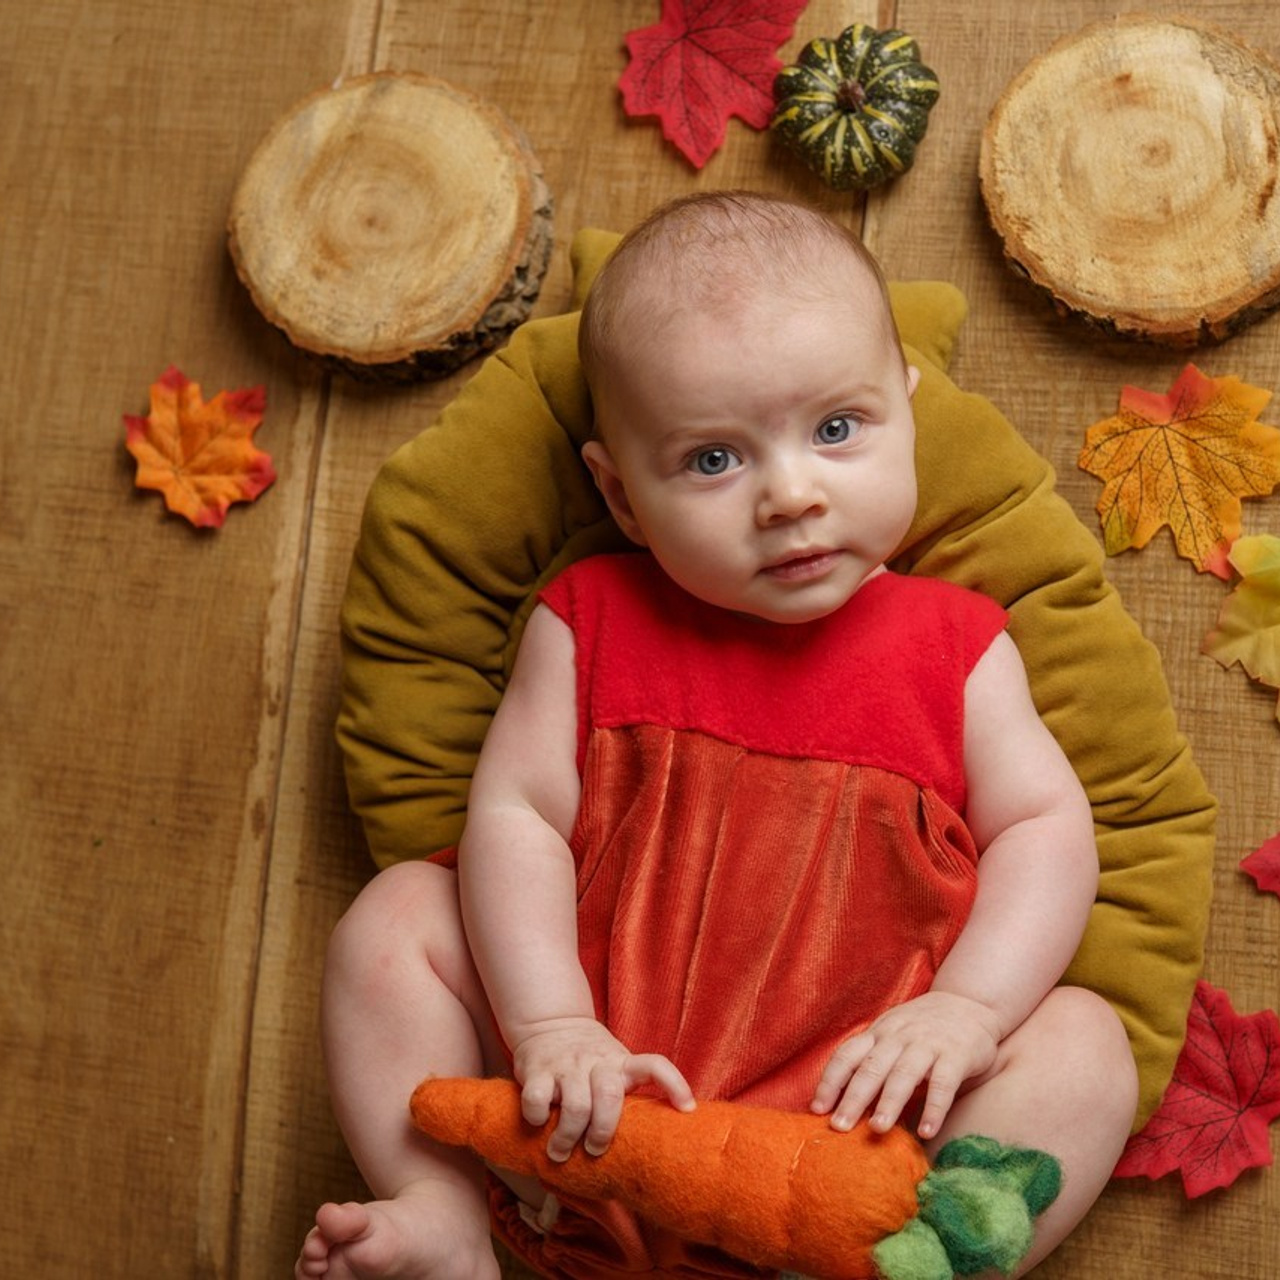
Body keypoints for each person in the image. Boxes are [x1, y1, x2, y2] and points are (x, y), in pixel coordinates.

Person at [296, 191, 1138, 1280]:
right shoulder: (585, 620)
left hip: (847, 1147)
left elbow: (1042, 827)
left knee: (1082, 1045)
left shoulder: (957, 645)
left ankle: (909, 1263)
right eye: (711, 461)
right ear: (622, 493)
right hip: (588, 1115)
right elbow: (515, 817)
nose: (789, 494)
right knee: (394, 917)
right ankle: (445, 1207)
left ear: (906, 416)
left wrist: (966, 1010)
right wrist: (550, 1021)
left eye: (836, 429)